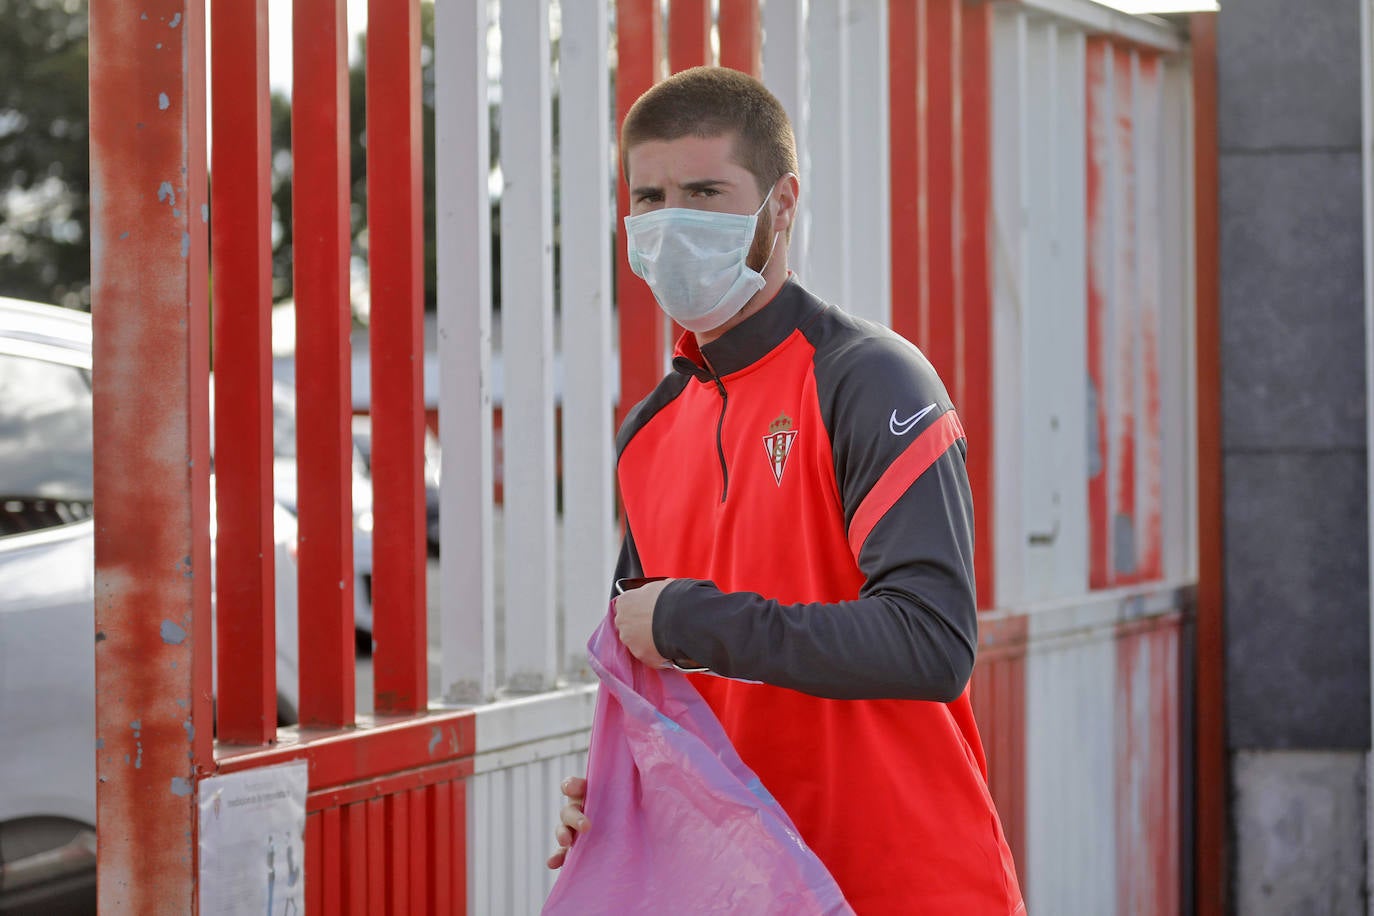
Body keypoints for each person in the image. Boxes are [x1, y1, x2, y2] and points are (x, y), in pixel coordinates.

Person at [549, 66, 1024, 915]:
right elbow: (663, 679)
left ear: (782, 202)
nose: (671, 222)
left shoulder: (870, 378)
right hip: (748, 889)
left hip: (909, 883)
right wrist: (629, 795)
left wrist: (694, 620)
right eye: (650, 197)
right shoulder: (649, 432)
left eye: (704, 191)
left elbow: (931, 640)